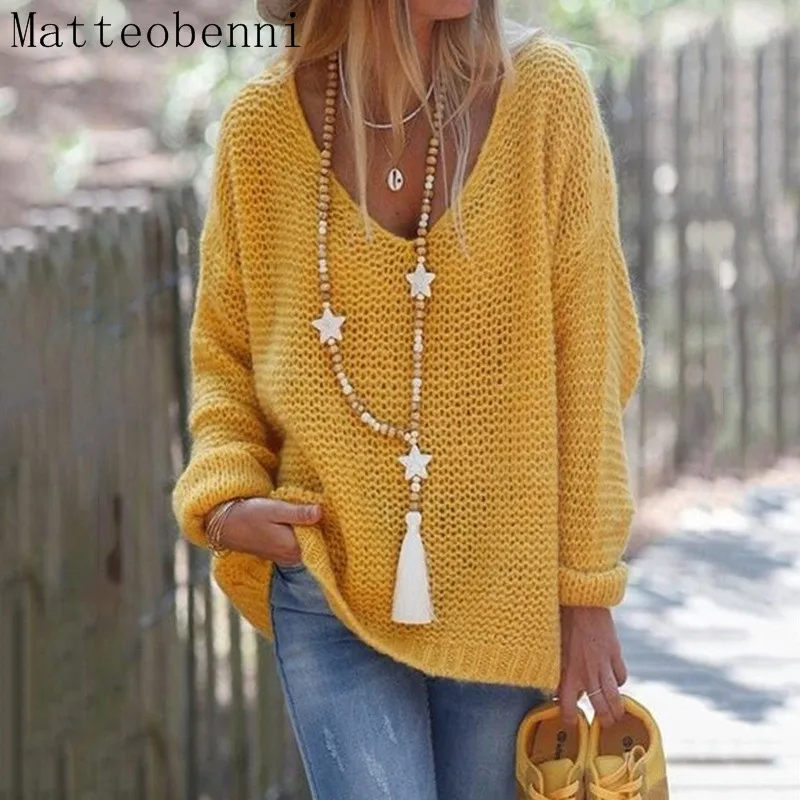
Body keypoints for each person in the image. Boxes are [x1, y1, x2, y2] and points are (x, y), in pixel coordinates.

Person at [171, 1, 645, 798]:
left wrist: (586, 593)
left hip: (505, 583)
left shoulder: (544, 97)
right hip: (328, 583)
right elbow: (225, 352)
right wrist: (226, 498)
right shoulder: (261, 128)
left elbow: (593, 361)